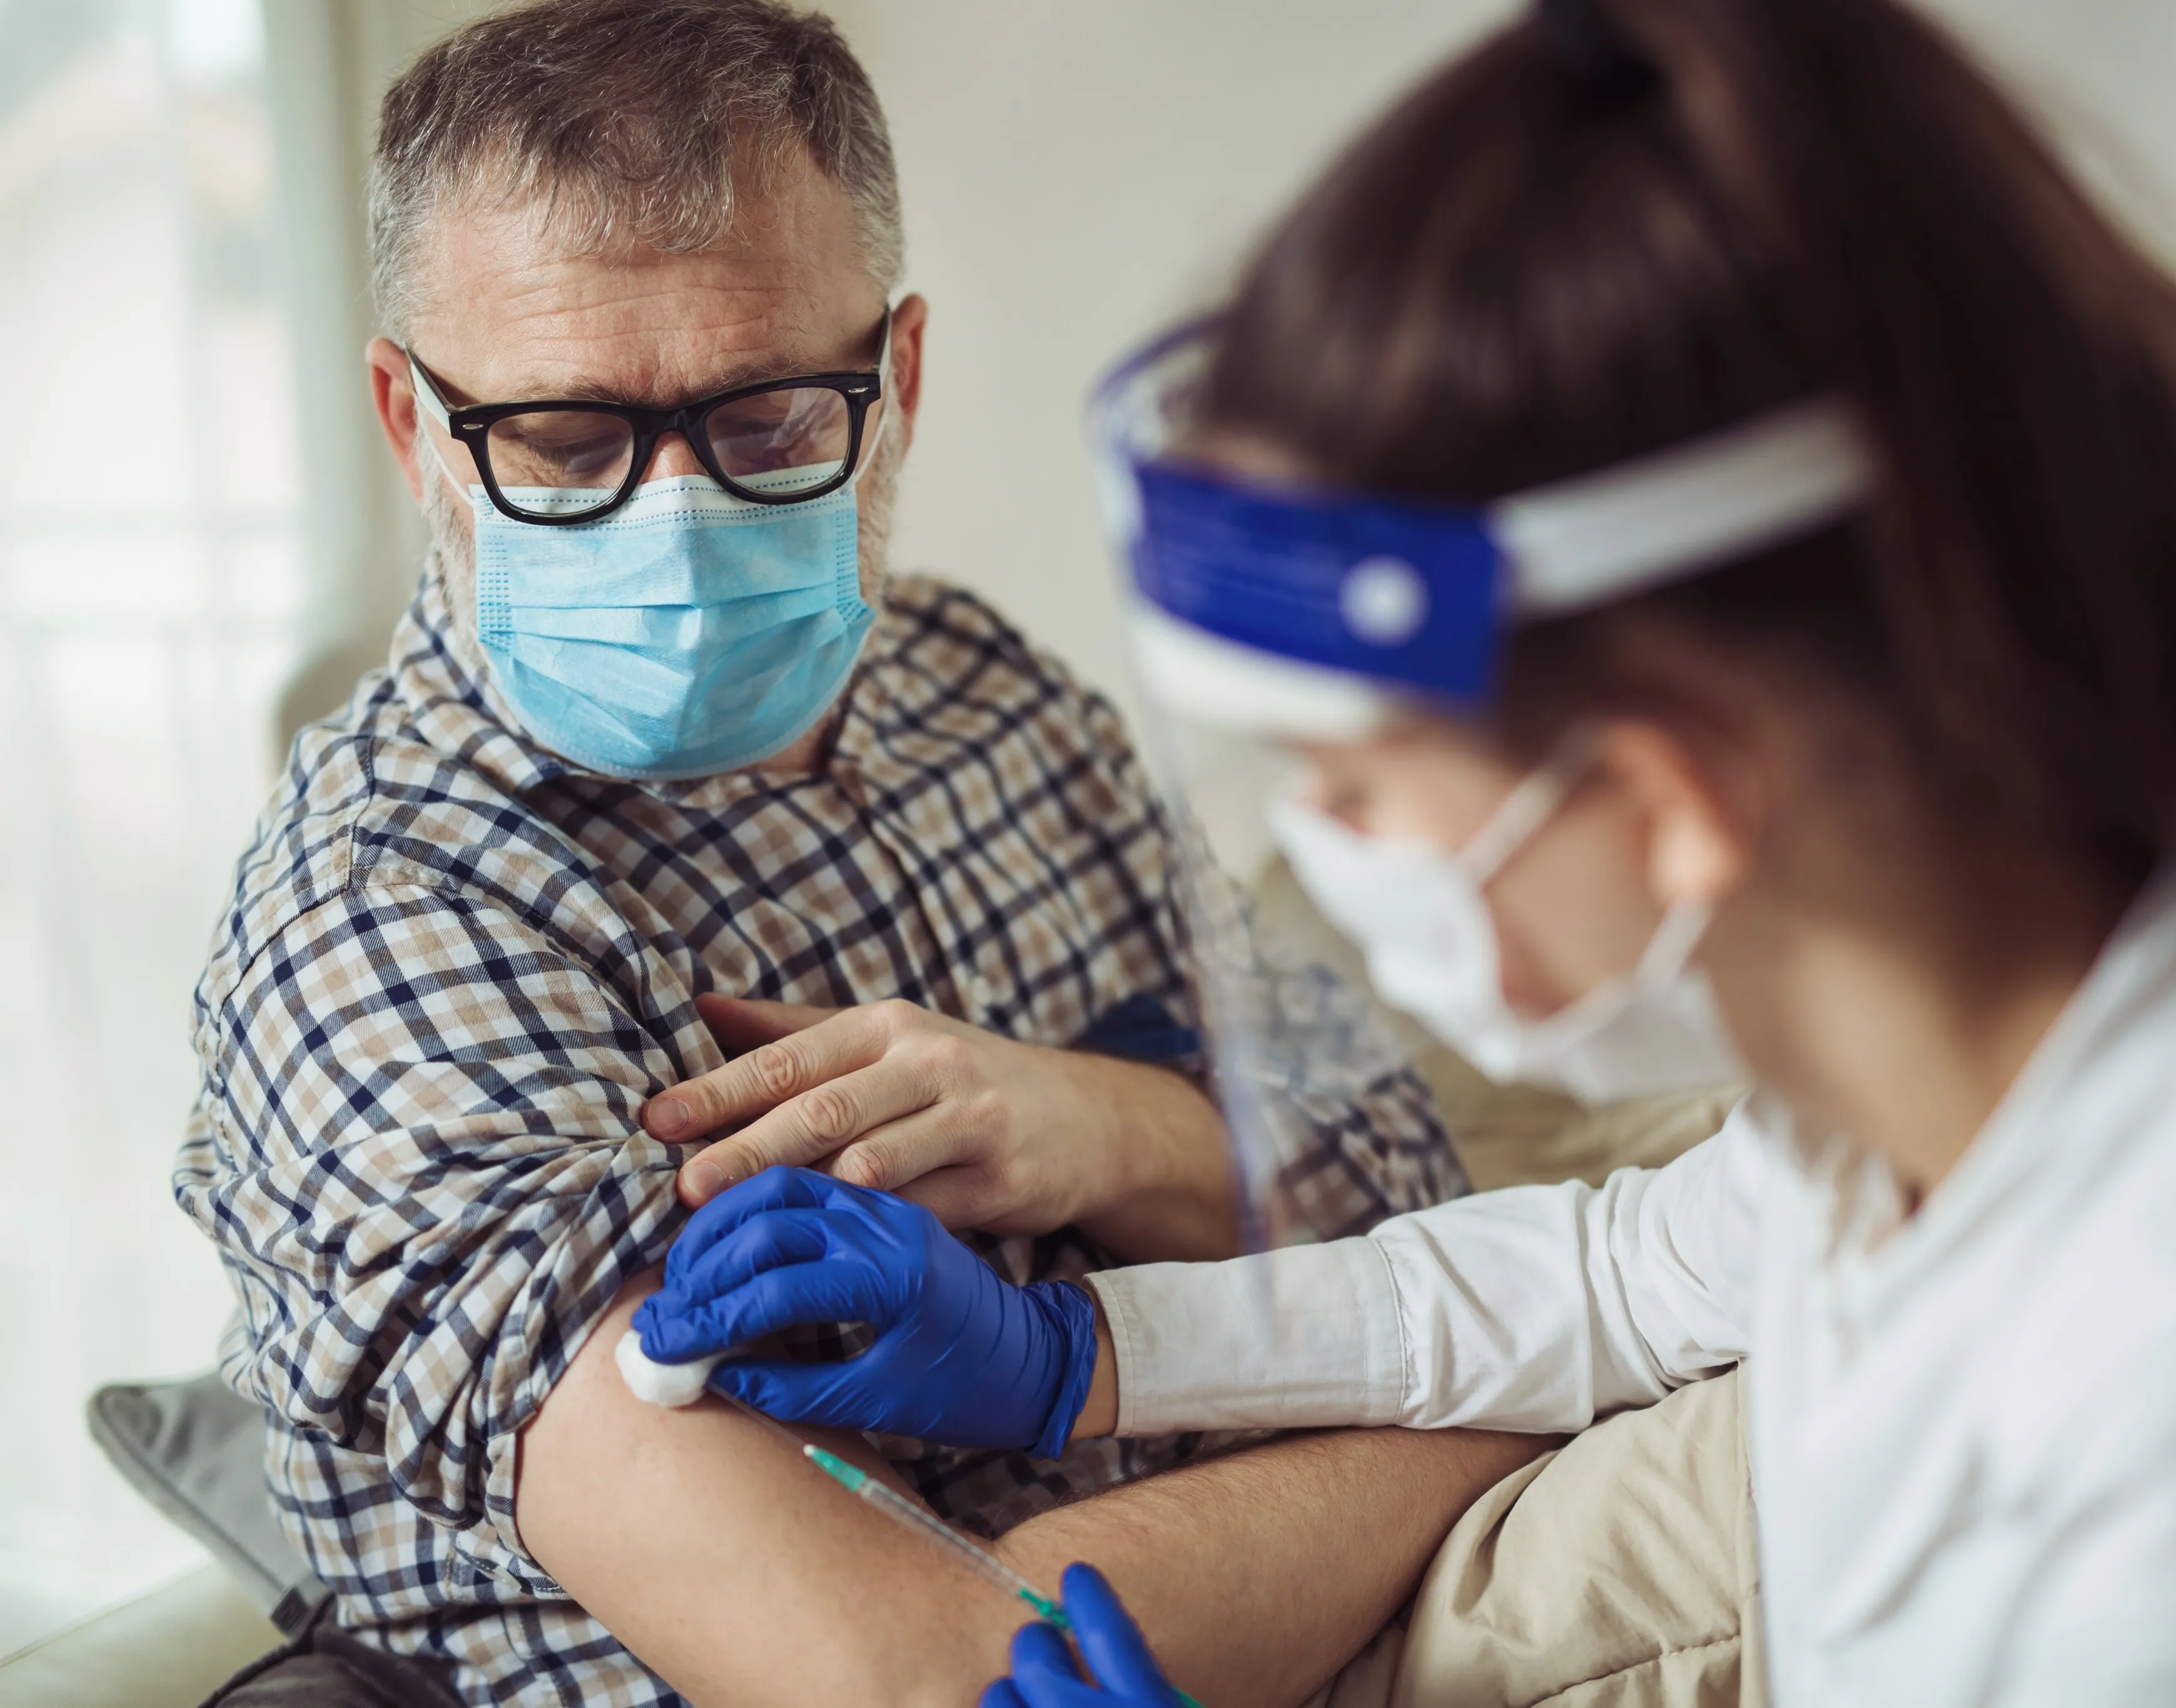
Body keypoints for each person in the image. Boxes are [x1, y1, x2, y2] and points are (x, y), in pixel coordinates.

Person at [635, 0, 2176, 1704]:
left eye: (1362, 786)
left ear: (1672, 796)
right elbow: (1635, 1274)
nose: (1326, 850)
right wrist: (1074, 1355)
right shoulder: (1937, 1059)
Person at [173, 4, 1519, 1704]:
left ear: (898, 381)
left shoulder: (985, 689)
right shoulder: (391, 928)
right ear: (411, 425)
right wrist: (1522, 1401)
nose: (674, 518)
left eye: (764, 422)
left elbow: (1405, 1175)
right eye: (569, 446)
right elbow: (927, 1674)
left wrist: (1094, 1125)